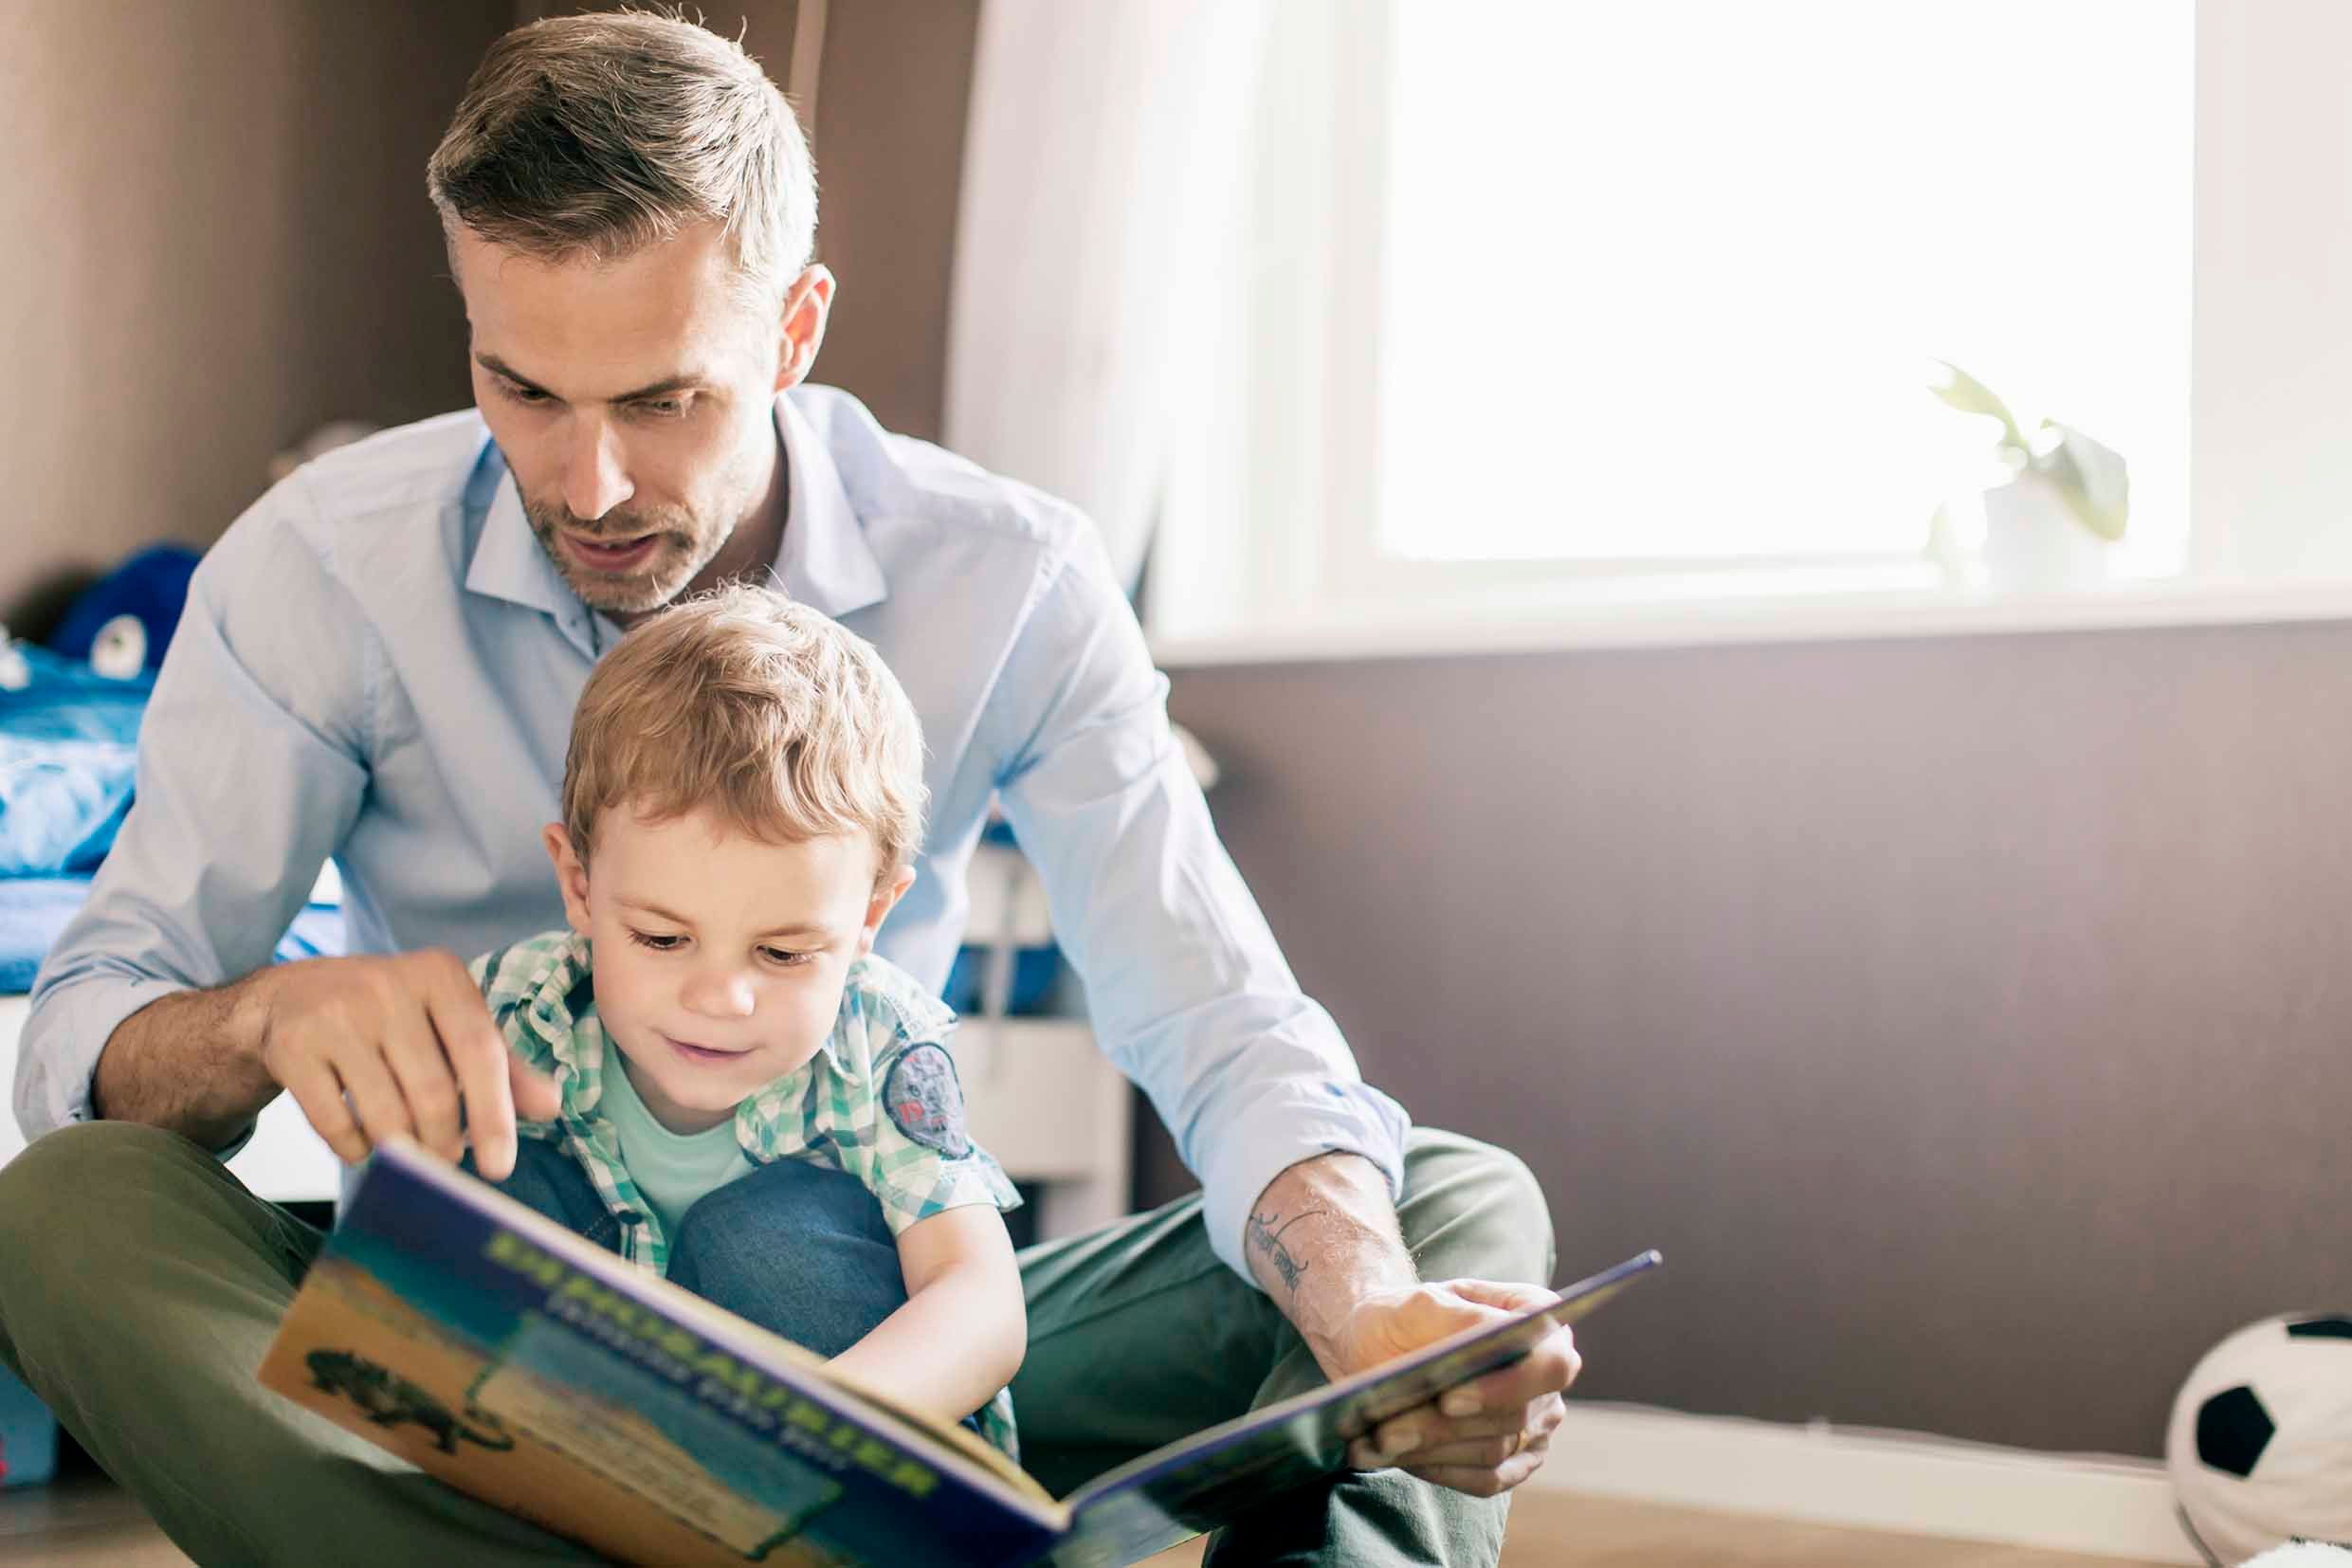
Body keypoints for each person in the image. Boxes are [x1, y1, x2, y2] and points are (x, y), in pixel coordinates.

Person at [0, 13, 1573, 1566]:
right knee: (70, 1209)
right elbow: (91, 1028)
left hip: (883, 1376)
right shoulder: (319, 567)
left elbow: (1218, 1020)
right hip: (481, 1373)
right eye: (524, 390)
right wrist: (264, 1017)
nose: (592, 484)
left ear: (796, 330)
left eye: (665, 398)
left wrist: (1364, 1298)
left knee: (1431, 1215)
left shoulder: (1010, 580)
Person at [467, 584, 1023, 1451]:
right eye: (660, 937)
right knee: (504, 1189)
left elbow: (981, 1302)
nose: (721, 999)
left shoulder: (876, 1042)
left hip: (846, 1452)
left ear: (870, 919)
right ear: (578, 885)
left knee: (758, 1236)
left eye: (783, 954)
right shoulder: (524, 1007)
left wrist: (827, 1427)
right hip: (604, 1448)